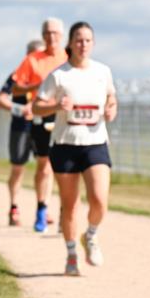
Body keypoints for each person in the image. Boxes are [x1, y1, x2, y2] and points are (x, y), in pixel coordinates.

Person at [34, 22, 117, 276]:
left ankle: (90, 236)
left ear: (93, 44)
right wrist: (57, 105)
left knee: (100, 200)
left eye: (88, 40)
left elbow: (111, 98)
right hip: (65, 145)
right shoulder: (59, 76)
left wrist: (111, 108)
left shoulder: (103, 72)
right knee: (70, 206)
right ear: (70, 43)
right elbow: (36, 108)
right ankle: (71, 254)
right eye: (79, 40)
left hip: (95, 143)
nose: (83, 45)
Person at [11, 19, 67, 232]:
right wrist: (38, 85)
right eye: (47, 33)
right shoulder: (33, 60)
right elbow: (16, 88)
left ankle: (65, 211)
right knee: (44, 165)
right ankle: (42, 207)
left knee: (66, 167)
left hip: (65, 117)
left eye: (55, 33)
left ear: (61, 35)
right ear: (42, 36)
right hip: (42, 117)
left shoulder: (68, 58)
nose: (51, 37)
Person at [0, 39, 47, 226]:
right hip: (21, 128)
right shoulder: (17, 77)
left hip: (43, 126)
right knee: (18, 168)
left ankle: (43, 207)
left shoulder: (48, 79)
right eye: (36, 56)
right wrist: (19, 109)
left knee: (45, 168)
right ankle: (14, 207)